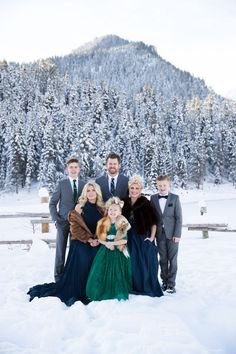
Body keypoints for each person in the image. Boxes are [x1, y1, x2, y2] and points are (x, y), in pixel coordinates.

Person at [27, 182, 105, 306]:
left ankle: (96, 287)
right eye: (88, 190)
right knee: (84, 256)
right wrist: (89, 240)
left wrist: (98, 240)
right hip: (81, 241)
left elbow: (104, 228)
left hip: (97, 242)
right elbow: (75, 228)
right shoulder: (79, 208)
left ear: (97, 192)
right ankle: (80, 288)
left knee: (100, 254)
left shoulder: (102, 209)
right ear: (85, 193)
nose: (91, 193)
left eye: (93, 190)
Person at [122, 175, 163, 298]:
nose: (134, 190)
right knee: (129, 261)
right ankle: (131, 285)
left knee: (142, 262)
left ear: (140, 190)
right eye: (132, 188)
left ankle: (143, 286)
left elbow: (153, 223)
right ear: (129, 188)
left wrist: (151, 238)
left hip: (141, 236)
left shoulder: (145, 203)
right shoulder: (124, 202)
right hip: (128, 236)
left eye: (137, 188)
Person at [86, 197, 132, 301]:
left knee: (117, 270)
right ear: (107, 210)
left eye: (115, 210)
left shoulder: (123, 222)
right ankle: (102, 290)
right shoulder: (102, 222)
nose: (112, 212)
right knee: (102, 269)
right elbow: (99, 238)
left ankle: (116, 290)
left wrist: (113, 243)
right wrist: (106, 243)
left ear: (120, 211)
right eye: (110, 209)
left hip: (118, 249)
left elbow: (124, 240)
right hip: (105, 248)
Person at [49, 157, 85, 282]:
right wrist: (56, 220)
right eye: (71, 167)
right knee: (60, 251)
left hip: (78, 224)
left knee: (76, 250)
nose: (73, 169)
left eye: (76, 167)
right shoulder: (61, 184)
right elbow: (52, 203)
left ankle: (72, 276)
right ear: (67, 169)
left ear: (79, 169)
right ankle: (58, 278)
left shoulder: (84, 185)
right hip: (63, 223)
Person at [150, 175, 182, 294]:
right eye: (159, 185)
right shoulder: (153, 198)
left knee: (172, 259)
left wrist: (177, 234)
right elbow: (152, 217)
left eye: (164, 185)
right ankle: (164, 281)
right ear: (157, 186)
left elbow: (179, 218)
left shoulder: (174, 198)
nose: (162, 188)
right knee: (163, 259)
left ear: (168, 185)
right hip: (160, 234)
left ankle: (171, 284)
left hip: (173, 234)